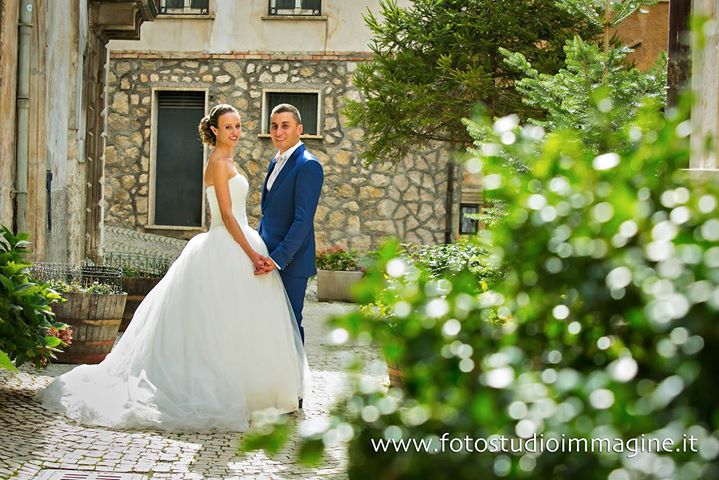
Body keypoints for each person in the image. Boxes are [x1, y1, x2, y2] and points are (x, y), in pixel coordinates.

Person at [38, 104, 310, 432]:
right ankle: (222, 387)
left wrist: (256, 248)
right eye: (228, 127)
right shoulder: (217, 163)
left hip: (244, 241)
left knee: (243, 322)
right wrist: (252, 254)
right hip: (227, 244)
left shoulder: (232, 161)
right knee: (216, 323)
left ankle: (258, 391)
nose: (235, 132)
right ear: (214, 131)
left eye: (238, 126)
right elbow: (225, 216)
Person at [255, 103, 324, 349]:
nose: (278, 131)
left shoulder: (308, 165)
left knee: (290, 323)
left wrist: (277, 259)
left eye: (285, 125)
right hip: (265, 256)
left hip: (291, 261)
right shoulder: (276, 161)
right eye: (274, 126)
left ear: (299, 129)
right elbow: (269, 214)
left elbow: (302, 221)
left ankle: (296, 382)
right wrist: (256, 246)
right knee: (268, 322)